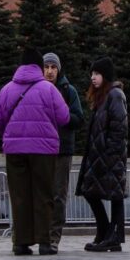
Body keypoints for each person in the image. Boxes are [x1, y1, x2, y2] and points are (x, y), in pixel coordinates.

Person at [0, 48, 71, 256]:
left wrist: (11, 133)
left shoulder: (7, 89)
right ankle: (45, 242)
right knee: (44, 194)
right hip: (44, 150)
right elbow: (64, 117)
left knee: (19, 196)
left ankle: (20, 242)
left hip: (15, 150)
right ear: (38, 66)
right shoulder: (48, 89)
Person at [76, 57, 128, 252]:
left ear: (105, 75)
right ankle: (104, 231)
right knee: (89, 191)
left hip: (110, 156)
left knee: (115, 195)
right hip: (97, 156)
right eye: (92, 74)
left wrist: (111, 153)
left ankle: (113, 236)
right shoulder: (102, 97)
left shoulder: (115, 95)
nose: (93, 78)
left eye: (97, 74)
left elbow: (119, 127)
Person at [43, 52, 84, 249]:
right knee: (41, 194)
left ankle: (53, 237)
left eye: (53, 67)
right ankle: (39, 234)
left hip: (61, 150)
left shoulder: (69, 90)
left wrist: (62, 115)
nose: (50, 71)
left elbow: (78, 119)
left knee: (58, 195)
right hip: (40, 150)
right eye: (47, 67)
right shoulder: (36, 89)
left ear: (58, 69)